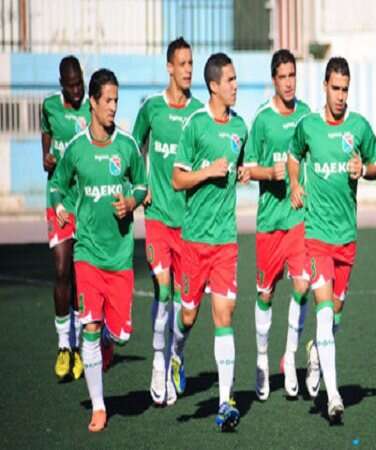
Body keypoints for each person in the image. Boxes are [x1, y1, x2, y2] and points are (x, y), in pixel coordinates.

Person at [50, 68, 147, 432]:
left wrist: (131, 202)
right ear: (92, 102)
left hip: (119, 256)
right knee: (89, 325)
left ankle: (110, 337)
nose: (113, 107)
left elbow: (142, 185)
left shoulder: (127, 146)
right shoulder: (76, 148)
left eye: (116, 100)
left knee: (120, 334)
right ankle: (99, 406)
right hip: (87, 253)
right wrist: (60, 206)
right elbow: (57, 185)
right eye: (108, 100)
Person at [288, 56, 376, 423]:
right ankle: (334, 395)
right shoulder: (308, 126)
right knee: (324, 312)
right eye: (335, 88)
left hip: (346, 237)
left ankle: (316, 354)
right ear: (324, 87)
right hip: (316, 236)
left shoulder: (359, 127)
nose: (341, 96)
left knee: (335, 315)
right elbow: (294, 155)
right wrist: (294, 183)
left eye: (345, 89)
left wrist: (364, 169)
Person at [171, 53, 249, 431]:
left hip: (225, 242)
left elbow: (239, 162)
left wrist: (242, 171)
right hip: (194, 241)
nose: (235, 85)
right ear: (214, 86)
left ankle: (224, 402)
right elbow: (177, 180)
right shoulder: (195, 125)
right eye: (229, 80)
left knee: (224, 314)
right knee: (188, 315)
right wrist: (207, 171)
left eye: (236, 79)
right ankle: (176, 352)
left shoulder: (241, 127)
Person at [132, 37, 203, 406]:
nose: (188, 69)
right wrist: (139, 186)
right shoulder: (152, 109)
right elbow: (133, 150)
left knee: (187, 312)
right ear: (169, 67)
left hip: (189, 224)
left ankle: (177, 353)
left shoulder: (200, 114)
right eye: (182, 63)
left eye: (191, 63)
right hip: (158, 218)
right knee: (162, 290)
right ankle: (158, 362)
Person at [243, 49, 311, 400]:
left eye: (292, 76)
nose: (288, 83)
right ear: (274, 80)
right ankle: (261, 358)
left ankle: (290, 356)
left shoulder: (307, 115)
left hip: (298, 218)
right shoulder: (262, 119)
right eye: (282, 77)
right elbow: (246, 168)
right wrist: (269, 173)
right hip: (270, 221)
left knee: (302, 285)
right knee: (265, 293)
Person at [41, 55, 90, 381]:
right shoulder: (49, 107)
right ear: (62, 85)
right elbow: (46, 141)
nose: (76, 91)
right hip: (59, 201)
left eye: (79, 84)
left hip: (84, 203)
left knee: (80, 274)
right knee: (61, 269)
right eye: (71, 86)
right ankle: (64, 346)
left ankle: (82, 345)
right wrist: (46, 157)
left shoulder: (90, 110)